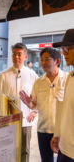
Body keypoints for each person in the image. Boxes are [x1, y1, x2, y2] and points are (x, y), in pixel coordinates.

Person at [19, 47, 68, 162]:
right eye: (41, 60)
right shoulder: (38, 82)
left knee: (64, 159)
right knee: (46, 160)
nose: (43, 63)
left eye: (47, 59)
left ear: (57, 61)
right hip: (43, 130)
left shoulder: (67, 79)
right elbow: (35, 105)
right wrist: (29, 103)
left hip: (62, 130)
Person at [0, 43, 38, 162]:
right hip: (7, 120)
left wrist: (35, 111)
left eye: (19, 54)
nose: (16, 57)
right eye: (14, 54)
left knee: (25, 150)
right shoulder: (3, 75)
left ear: (25, 56)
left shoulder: (32, 75)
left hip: (26, 121)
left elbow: (40, 97)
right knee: (7, 149)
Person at [50, 29, 74, 162]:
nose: (64, 52)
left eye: (68, 48)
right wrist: (58, 134)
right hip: (64, 147)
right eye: (63, 48)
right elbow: (65, 109)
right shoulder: (70, 76)